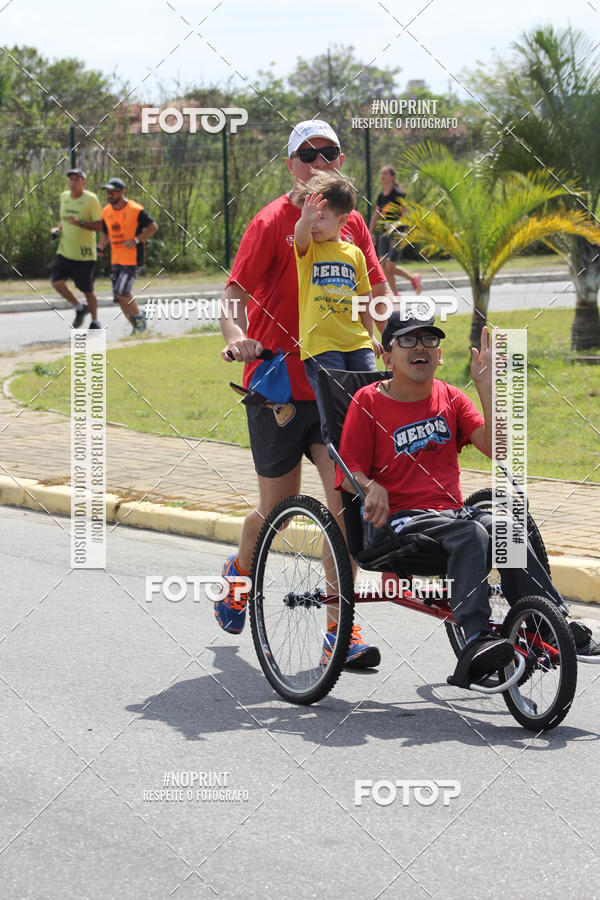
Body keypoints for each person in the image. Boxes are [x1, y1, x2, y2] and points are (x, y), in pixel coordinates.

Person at [216, 119, 394, 667]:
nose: (319, 162)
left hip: (337, 386)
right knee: (277, 513)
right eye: (307, 154)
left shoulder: (352, 222)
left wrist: (387, 338)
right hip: (278, 388)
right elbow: (231, 296)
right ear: (291, 163)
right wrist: (237, 337)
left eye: (330, 153)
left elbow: (377, 290)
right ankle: (240, 571)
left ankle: (340, 629)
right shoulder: (272, 222)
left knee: (345, 506)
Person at [334, 312, 600, 680]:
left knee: (504, 525)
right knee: (471, 533)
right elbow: (347, 473)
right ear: (388, 356)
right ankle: (476, 637)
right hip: (399, 523)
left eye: (429, 340)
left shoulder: (451, 397)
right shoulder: (368, 402)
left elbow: (498, 445)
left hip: (452, 515)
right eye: (408, 340)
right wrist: (370, 486)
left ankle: (547, 622)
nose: (421, 347)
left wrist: (486, 385)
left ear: (440, 356)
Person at [293, 170, 383, 440]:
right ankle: (343, 460)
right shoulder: (310, 249)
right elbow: (300, 235)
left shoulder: (354, 254)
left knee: (370, 397)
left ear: (343, 220)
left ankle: (370, 448)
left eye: (321, 218)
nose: (313, 224)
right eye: (310, 218)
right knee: (336, 410)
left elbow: (365, 299)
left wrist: (370, 335)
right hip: (322, 344)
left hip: (356, 342)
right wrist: (304, 219)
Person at [98, 177, 158, 333]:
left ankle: (138, 316)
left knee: (123, 292)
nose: (110, 195)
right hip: (116, 259)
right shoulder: (106, 211)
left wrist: (137, 240)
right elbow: (106, 233)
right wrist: (101, 247)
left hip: (132, 260)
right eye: (108, 192)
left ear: (122, 192)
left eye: (114, 192)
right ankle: (137, 327)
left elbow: (153, 227)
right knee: (119, 297)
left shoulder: (135, 209)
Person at [50, 168, 102, 329]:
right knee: (56, 283)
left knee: (88, 291)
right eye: (71, 179)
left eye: (77, 179)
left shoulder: (91, 199)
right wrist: (57, 230)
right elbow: (64, 220)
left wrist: (79, 223)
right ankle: (80, 308)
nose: (73, 182)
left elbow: (100, 225)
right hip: (65, 251)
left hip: (84, 256)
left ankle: (95, 321)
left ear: (84, 183)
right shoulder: (64, 197)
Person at [368, 165, 422, 296]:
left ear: (392, 177)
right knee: (383, 265)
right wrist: (370, 232)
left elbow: (405, 213)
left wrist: (405, 229)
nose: (382, 176)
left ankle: (413, 278)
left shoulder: (398, 194)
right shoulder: (381, 196)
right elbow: (376, 214)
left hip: (397, 233)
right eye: (381, 174)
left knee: (390, 267)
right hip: (383, 233)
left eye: (385, 174)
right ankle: (395, 294)